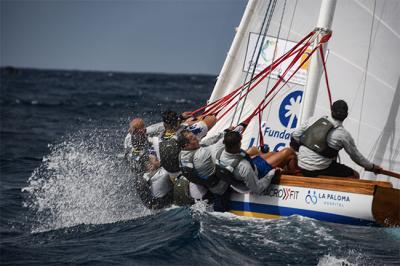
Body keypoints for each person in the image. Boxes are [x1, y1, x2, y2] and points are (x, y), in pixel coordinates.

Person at [290, 99, 382, 178]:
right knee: (355, 175)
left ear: (331, 110)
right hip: (318, 170)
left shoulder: (313, 120)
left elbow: (295, 135)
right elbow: (356, 157)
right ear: (346, 115)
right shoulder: (343, 135)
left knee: (331, 162)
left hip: (301, 164)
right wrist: (372, 167)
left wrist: (304, 150)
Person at [178, 129, 229, 210]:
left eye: (194, 135)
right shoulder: (201, 155)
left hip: (202, 184)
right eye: (193, 138)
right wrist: (232, 134)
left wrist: (225, 132)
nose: (197, 138)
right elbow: (219, 145)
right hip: (219, 187)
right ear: (186, 145)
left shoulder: (182, 153)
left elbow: (205, 143)